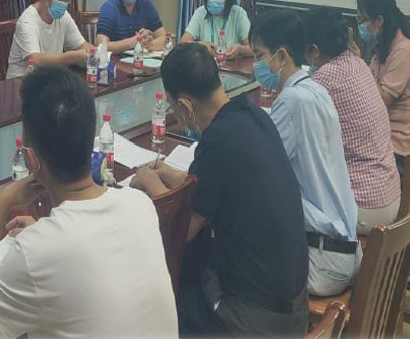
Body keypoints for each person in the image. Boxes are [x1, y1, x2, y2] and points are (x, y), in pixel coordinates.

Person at [0, 66, 178, 338]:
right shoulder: (140, 205)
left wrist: (3, 203)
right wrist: (43, 237)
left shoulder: (37, 252)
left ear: (31, 160)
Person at [130, 43, 308, 337]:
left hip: (254, 321)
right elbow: (223, 183)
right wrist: (175, 176)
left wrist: (149, 181)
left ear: (184, 106)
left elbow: (181, 231)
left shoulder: (217, 140)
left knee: (154, 303)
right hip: (292, 308)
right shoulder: (254, 116)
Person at [249, 10, 361, 297]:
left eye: (259, 56)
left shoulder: (292, 101)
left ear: (282, 56)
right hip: (345, 250)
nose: (255, 65)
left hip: (321, 262)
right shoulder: (316, 89)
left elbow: (257, 171)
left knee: (228, 251)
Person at [303, 7, 401, 234]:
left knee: (282, 202)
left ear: (314, 51)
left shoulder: (324, 78)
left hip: (362, 206)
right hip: (388, 193)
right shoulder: (357, 63)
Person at [355, 0, 410, 174]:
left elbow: (381, 99)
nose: (360, 26)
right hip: (386, 137)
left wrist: (358, 66)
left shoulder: (403, 51)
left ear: (379, 21)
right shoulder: (384, 47)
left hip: (400, 150)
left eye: (362, 20)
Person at [7, 0, 94, 78]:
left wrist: (93, 54)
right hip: (21, 81)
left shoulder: (63, 16)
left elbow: (82, 46)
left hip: (49, 79)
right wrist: (70, 57)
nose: (64, 2)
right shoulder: (27, 21)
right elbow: (35, 60)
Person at [181, 0, 251, 59]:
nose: (212, 0)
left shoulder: (239, 14)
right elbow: (183, 43)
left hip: (231, 65)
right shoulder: (201, 12)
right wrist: (200, 46)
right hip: (205, 64)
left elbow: (252, 49)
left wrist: (240, 49)